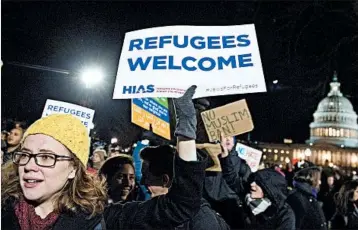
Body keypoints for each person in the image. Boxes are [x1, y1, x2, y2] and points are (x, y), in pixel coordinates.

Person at [1, 86, 208, 229]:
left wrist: (187, 129)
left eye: (46, 157)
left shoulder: (101, 220)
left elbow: (180, 206)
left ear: (74, 168)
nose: (29, 165)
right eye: (25, 154)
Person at [140, 144, 230, 230]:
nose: (142, 182)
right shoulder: (158, 211)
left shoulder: (201, 217)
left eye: (146, 177)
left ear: (165, 180)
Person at [219, 135, 295, 230]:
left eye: (258, 184)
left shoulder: (285, 215)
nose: (252, 185)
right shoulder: (246, 195)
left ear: (269, 190)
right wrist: (226, 154)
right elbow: (231, 178)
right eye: (253, 181)